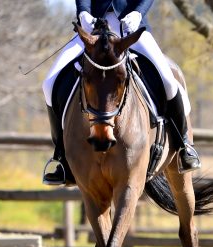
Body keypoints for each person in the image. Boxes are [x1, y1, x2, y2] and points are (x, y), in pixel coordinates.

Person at [42, 0, 201, 185]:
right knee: (49, 82)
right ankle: (61, 157)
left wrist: (138, 13)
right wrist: (84, 12)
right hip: (93, 29)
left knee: (168, 80)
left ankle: (183, 146)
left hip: (131, 28)